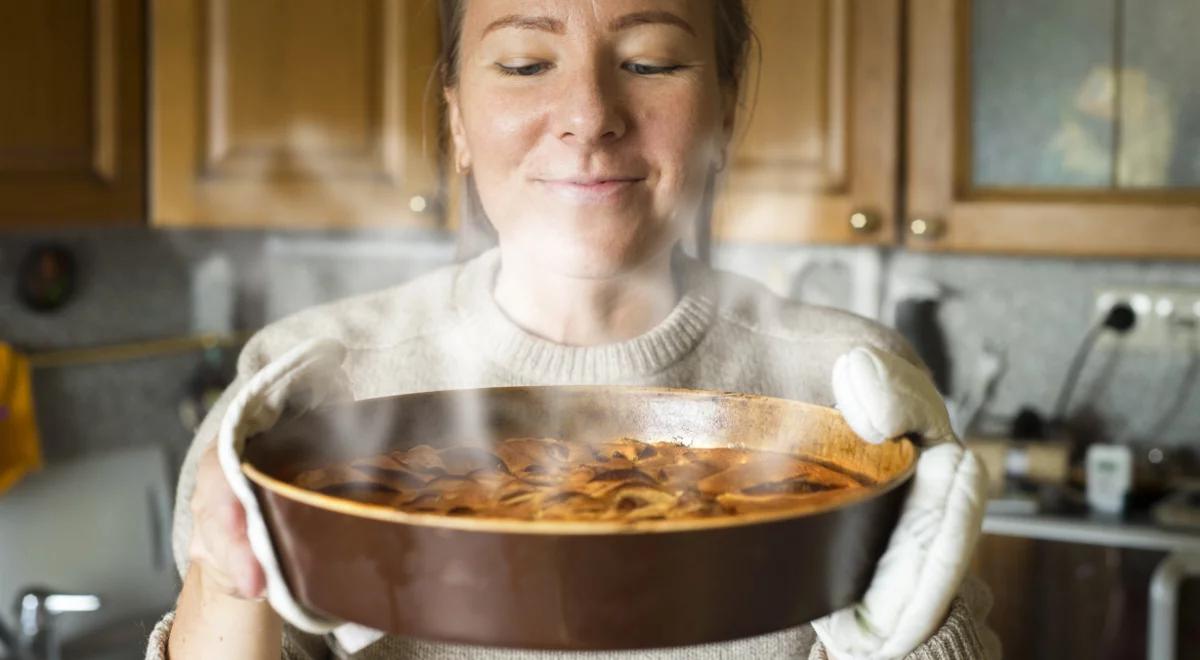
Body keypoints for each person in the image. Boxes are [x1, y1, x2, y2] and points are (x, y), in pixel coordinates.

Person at [148, 1, 997, 658]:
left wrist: (918, 636)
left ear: (726, 110)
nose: (589, 114)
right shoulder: (300, 391)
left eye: (648, 61)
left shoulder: (852, 394)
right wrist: (233, 578)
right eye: (524, 63)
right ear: (457, 120)